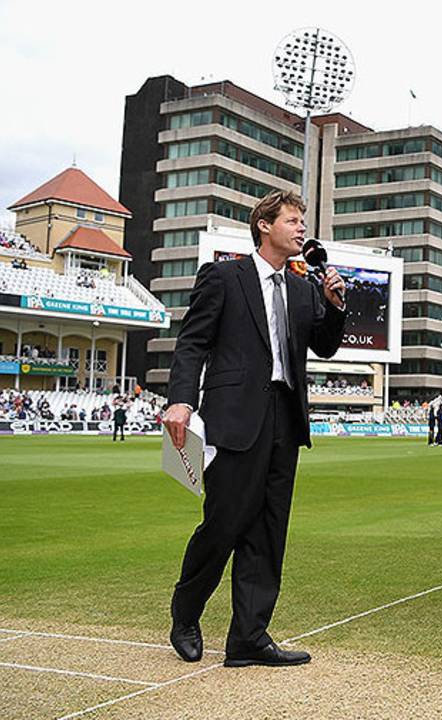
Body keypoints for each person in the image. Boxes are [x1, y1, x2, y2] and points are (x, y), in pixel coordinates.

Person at [160, 190, 346, 668]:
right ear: (265, 225)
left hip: (285, 418)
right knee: (223, 525)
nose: (301, 228)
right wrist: (181, 400)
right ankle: (186, 612)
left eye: (302, 221)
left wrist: (335, 305)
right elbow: (192, 343)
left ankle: (248, 637)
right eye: (292, 220)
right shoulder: (224, 278)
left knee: (268, 532)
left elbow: (324, 348)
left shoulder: (305, 288)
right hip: (234, 417)